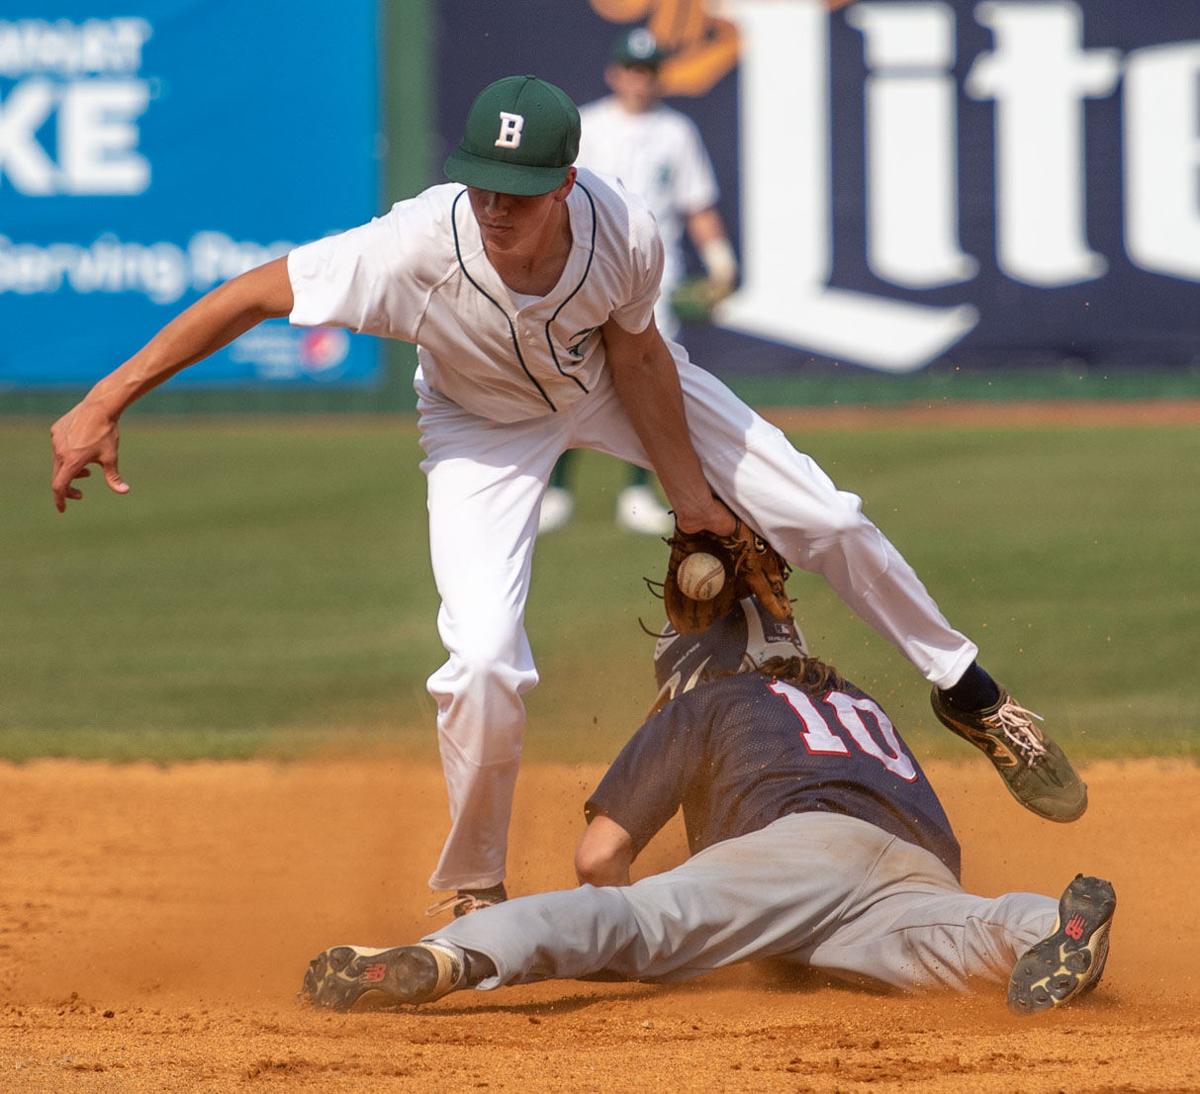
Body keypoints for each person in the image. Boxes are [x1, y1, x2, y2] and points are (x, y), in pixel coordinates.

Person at [49, 74, 1085, 917]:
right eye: (482, 184)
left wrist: (696, 503)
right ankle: (473, 885)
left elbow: (640, 357)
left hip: (613, 387)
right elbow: (249, 293)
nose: (494, 206)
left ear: (566, 182)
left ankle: (973, 694)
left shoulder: (622, 232)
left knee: (824, 516)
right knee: (483, 663)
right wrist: (104, 397)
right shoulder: (415, 243)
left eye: (517, 188)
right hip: (477, 427)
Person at [300, 597, 1116, 1016]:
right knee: (953, 944)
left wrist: (661, 922)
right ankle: (1046, 925)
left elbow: (598, 860)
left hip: (799, 849)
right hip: (916, 864)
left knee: (629, 923)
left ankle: (449, 956)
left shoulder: (707, 701)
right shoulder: (854, 701)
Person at [540, 27, 738, 537]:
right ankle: (557, 490)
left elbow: (697, 206)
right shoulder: (588, 122)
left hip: (655, 275)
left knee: (651, 386)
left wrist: (720, 259)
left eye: (647, 72)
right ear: (615, 73)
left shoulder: (677, 132)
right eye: (631, 69)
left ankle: (637, 491)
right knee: (571, 376)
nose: (639, 80)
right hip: (587, 269)